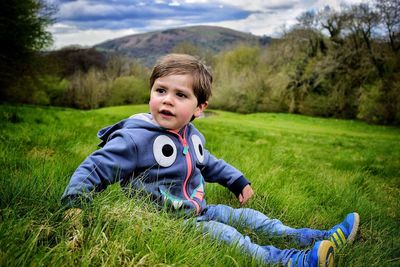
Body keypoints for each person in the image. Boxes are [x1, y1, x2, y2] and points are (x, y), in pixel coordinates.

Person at [61, 53, 360, 266]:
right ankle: (289, 261)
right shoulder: (134, 138)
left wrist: (237, 181)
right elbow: (97, 166)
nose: (167, 99)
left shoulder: (191, 135)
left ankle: (314, 236)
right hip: (164, 221)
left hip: (198, 208)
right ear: (150, 92)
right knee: (228, 236)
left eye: (180, 94)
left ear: (199, 108)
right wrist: (75, 202)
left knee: (250, 218)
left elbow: (209, 163)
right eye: (160, 90)